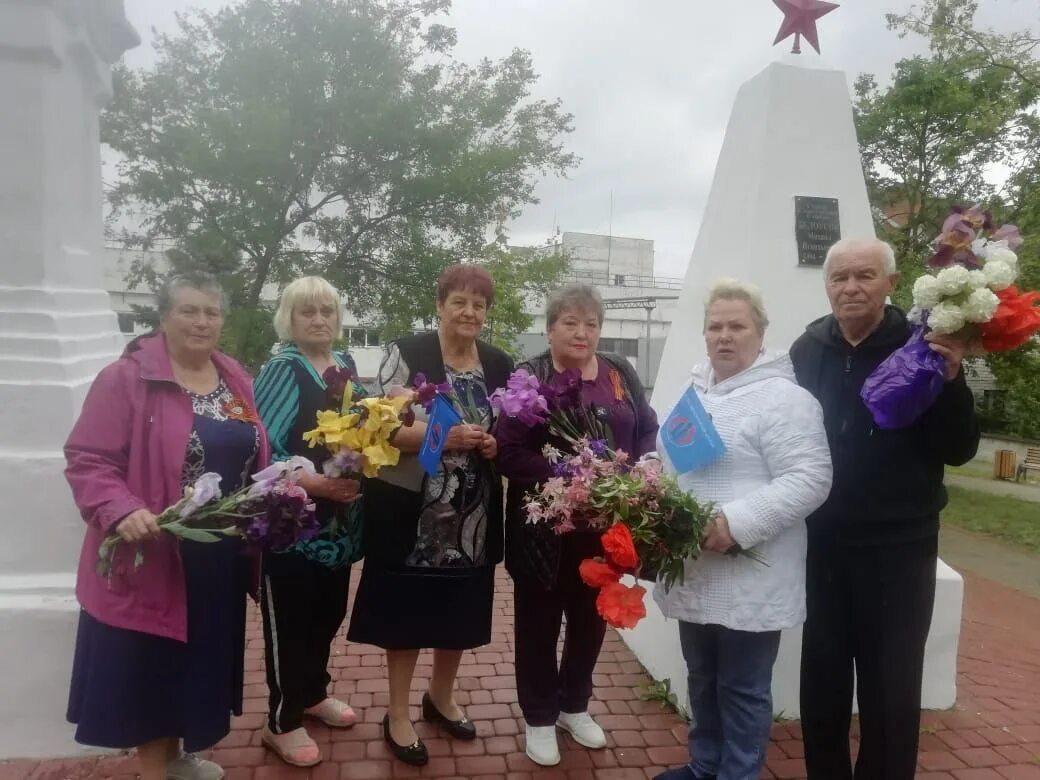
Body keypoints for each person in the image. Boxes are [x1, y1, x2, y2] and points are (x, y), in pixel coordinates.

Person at [65, 273, 270, 780]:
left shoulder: (234, 378)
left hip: (216, 553)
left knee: (196, 661)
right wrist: (121, 508)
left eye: (211, 312)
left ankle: (179, 756)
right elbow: (88, 458)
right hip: (154, 552)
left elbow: (251, 449)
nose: (202, 322)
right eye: (189, 311)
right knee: (151, 669)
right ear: (163, 317)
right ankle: (156, 772)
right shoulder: (127, 378)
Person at [791, 238, 980, 780]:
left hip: (901, 546)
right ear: (827, 286)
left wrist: (951, 384)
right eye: (840, 277)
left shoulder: (924, 346)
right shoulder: (808, 350)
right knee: (822, 678)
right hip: (822, 542)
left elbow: (960, 450)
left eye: (865, 276)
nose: (851, 287)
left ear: (891, 284)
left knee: (893, 684)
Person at [651, 280, 832, 780]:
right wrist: (643, 486)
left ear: (760, 333)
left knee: (744, 689)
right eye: (715, 326)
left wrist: (737, 522)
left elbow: (811, 478)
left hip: (753, 575)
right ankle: (705, 766)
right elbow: (671, 465)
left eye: (737, 326)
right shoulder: (694, 395)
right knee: (703, 678)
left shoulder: (786, 399)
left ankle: (738, 775)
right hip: (694, 569)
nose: (724, 336)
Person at [346, 264, 513, 767]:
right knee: (406, 615)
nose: (469, 312)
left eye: (479, 305)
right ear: (440, 305)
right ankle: (397, 713)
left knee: (458, 609)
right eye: (459, 301)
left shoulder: (499, 363)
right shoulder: (409, 353)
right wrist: (446, 438)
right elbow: (381, 431)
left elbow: (514, 431)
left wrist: (492, 443)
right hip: (413, 510)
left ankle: (440, 698)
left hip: (473, 514)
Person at [496, 283, 660, 767]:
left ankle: (574, 706)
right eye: (570, 323)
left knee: (591, 621)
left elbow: (646, 422)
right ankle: (540, 717)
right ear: (550, 329)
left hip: (606, 528)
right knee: (539, 624)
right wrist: (570, 479)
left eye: (591, 323)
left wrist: (647, 460)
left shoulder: (619, 372)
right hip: (546, 532)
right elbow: (508, 453)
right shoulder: (530, 377)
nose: (582, 333)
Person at [252, 276, 365, 766]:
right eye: (307, 312)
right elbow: (264, 446)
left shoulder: (345, 364)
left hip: (339, 523)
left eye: (326, 311)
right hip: (293, 523)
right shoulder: (282, 369)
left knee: (326, 613)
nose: (319, 320)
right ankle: (282, 719)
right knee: (291, 621)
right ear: (290, 320)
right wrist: (314, 482)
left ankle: (314, 694)